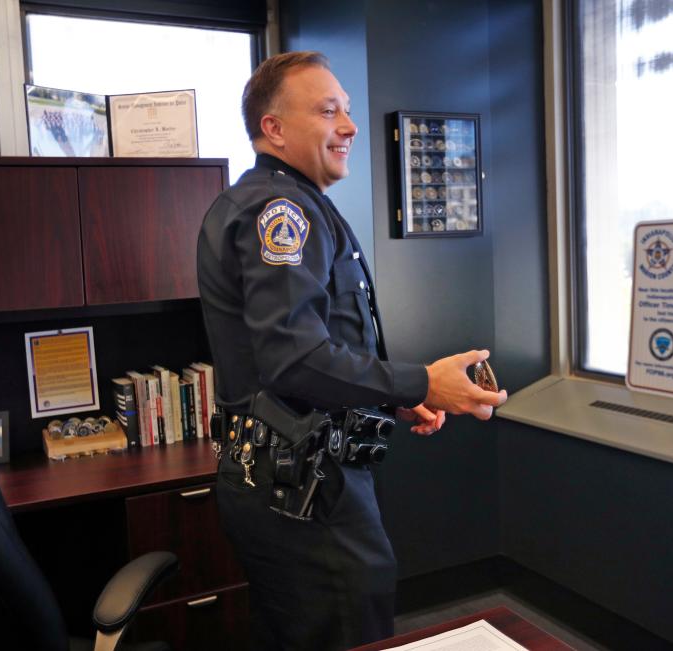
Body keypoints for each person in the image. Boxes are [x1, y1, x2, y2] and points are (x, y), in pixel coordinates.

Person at [196, 51, 508, 650]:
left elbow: (312, 350)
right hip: (306, 493)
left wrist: (385, 402)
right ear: (275, 128)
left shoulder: (281, 199)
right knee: (346, 627)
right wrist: (420, 383)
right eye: (328, 110)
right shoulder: (280, 210)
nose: (350, 125)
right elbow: (294, 358)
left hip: (292, 482)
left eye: (348, 110)